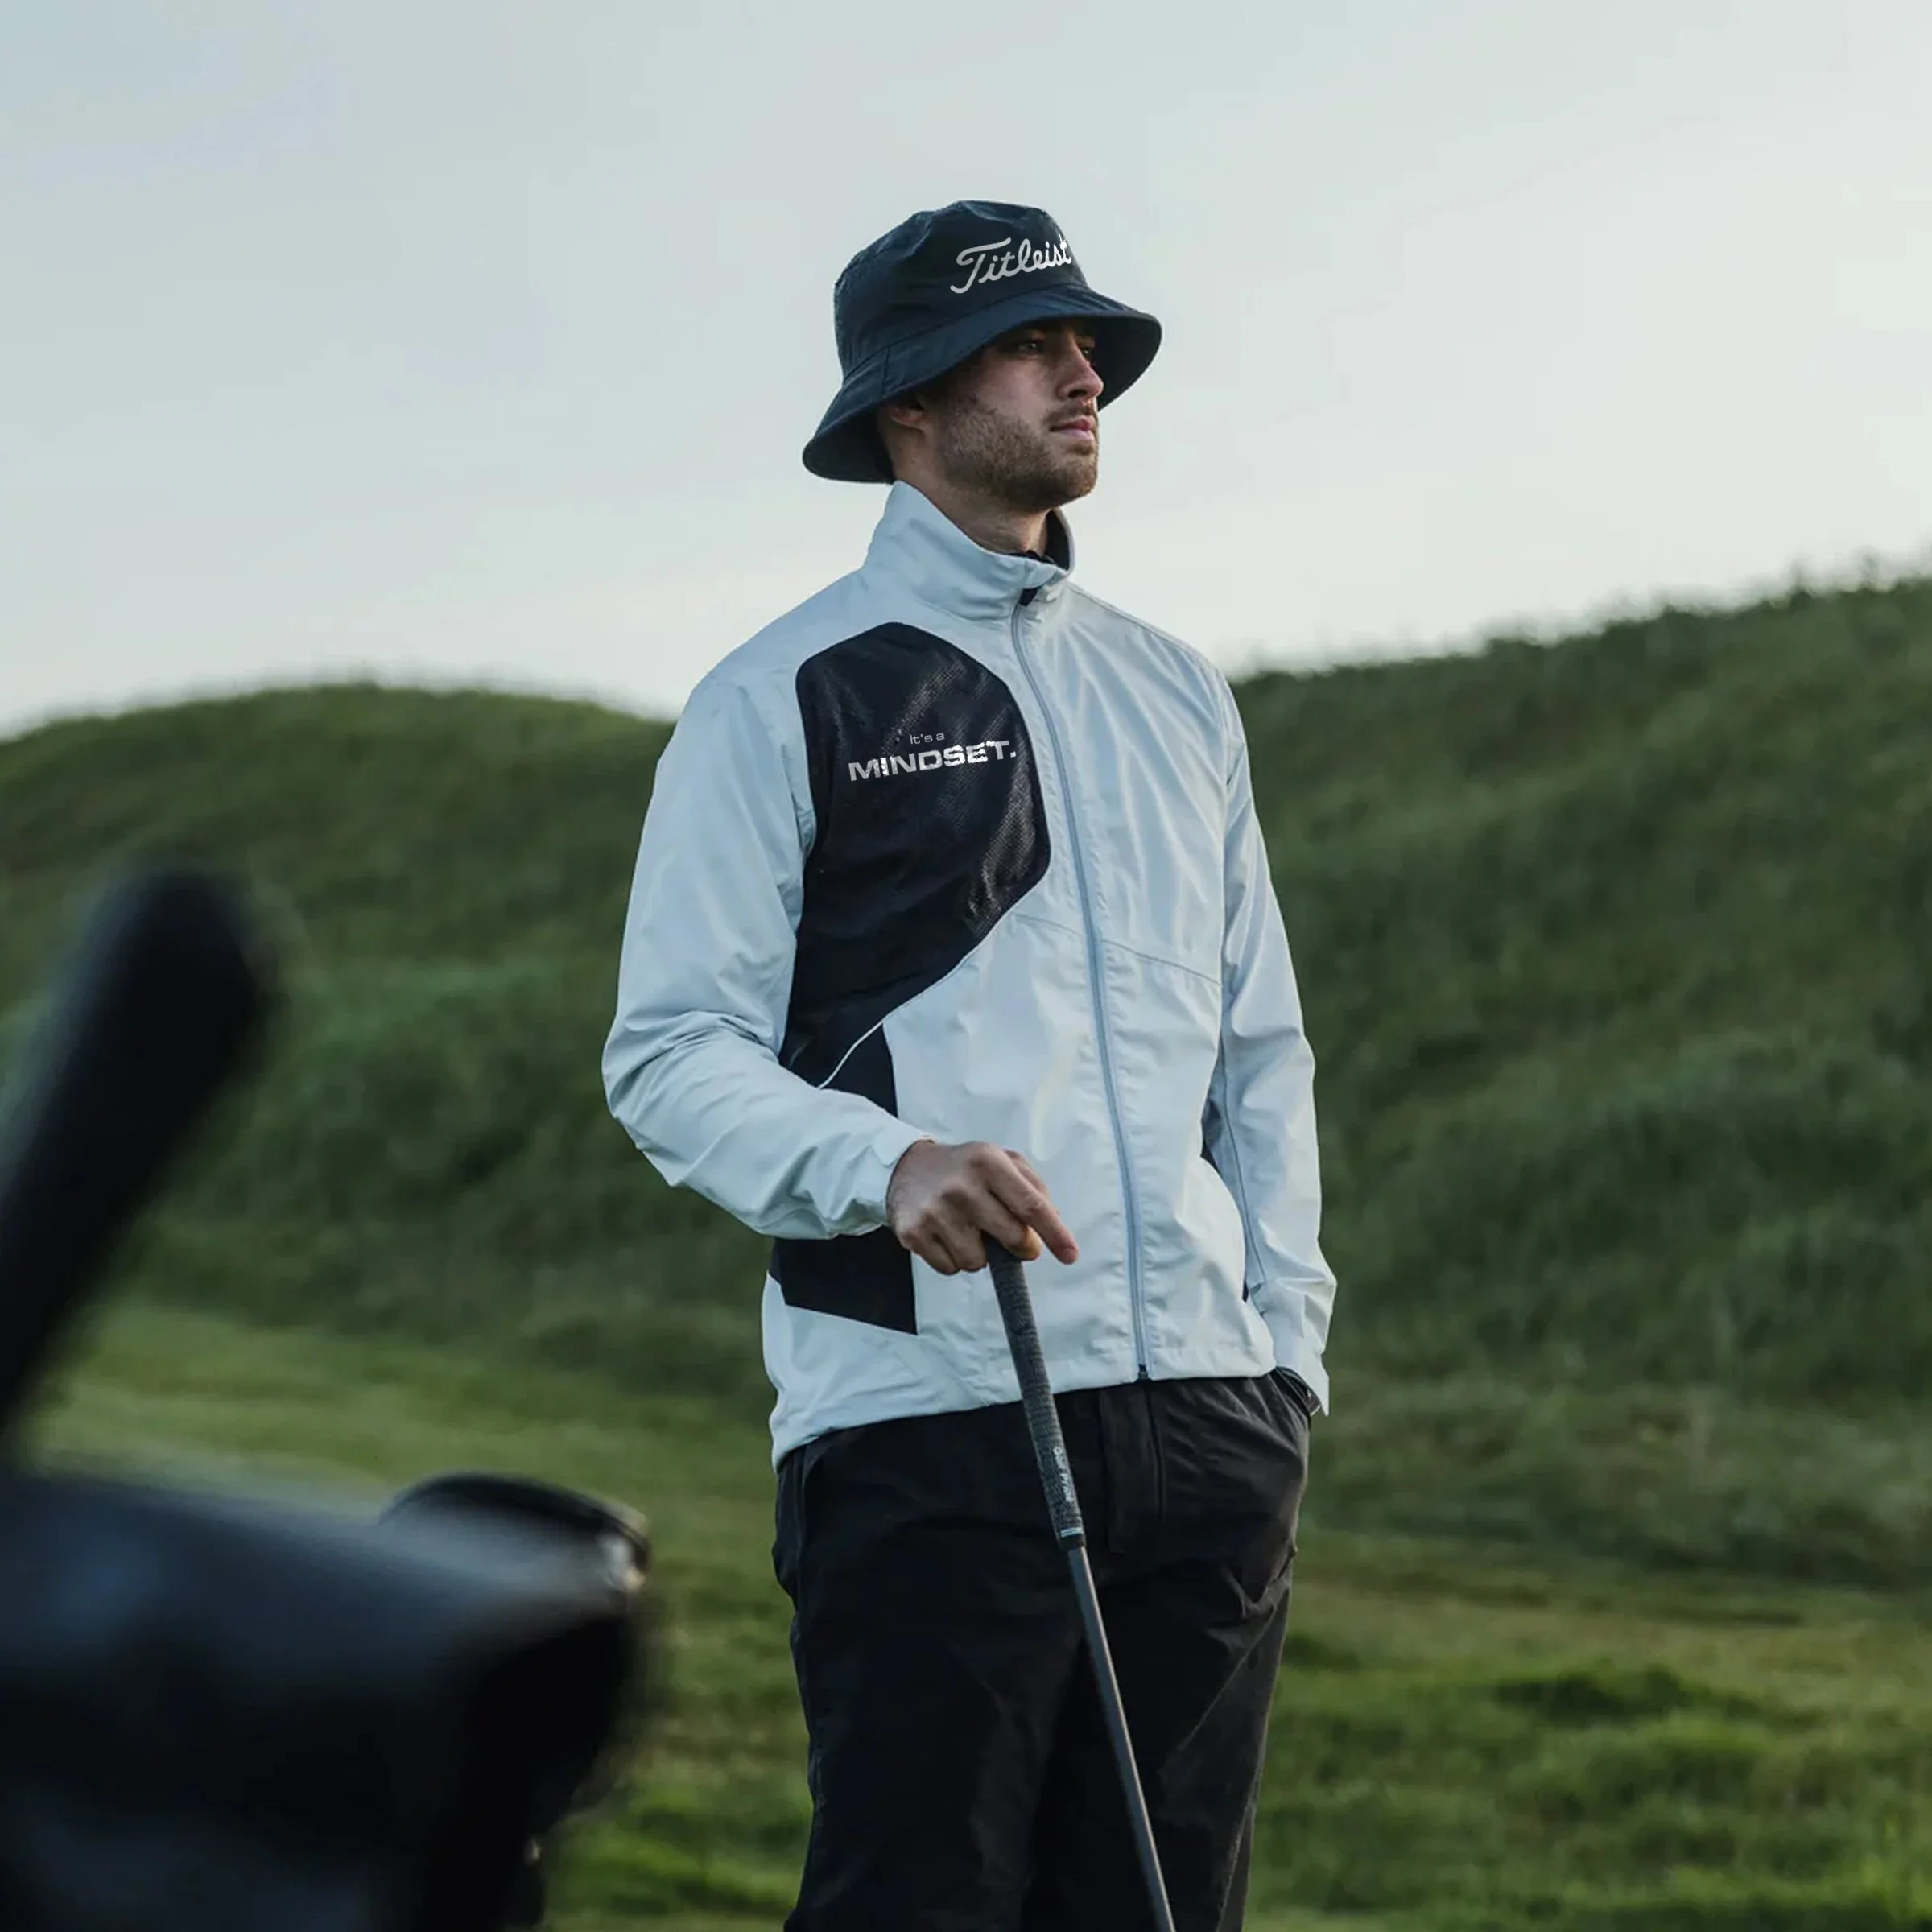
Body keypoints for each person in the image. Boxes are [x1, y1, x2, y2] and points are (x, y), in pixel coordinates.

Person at [604, 199, 1336, 1931]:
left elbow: (1259, 1050)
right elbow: (670, 1053)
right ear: (911, 403)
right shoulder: (776, 697)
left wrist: (1282, 1360)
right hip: (930, 1430)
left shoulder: (1178, 694)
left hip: (1207, 1430)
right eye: (1031, 344)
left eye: (1089, 344)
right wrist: (886, 1167)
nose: (1085, 375)